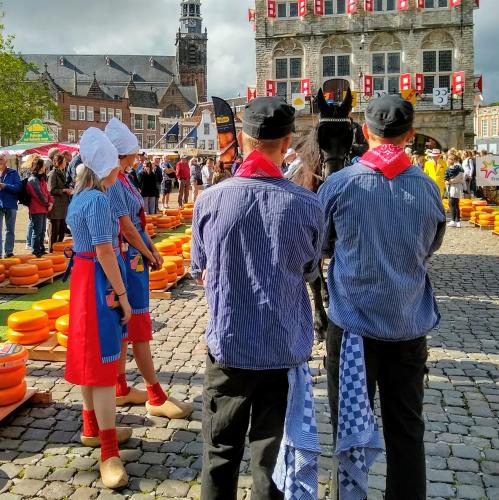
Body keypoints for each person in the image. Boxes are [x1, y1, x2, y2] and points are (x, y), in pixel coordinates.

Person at [191, 96, 324, 500]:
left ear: (244, 140)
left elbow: (200, 270)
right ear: (287, 144)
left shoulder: (211, 199)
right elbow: (310, 270)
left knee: (220, 454)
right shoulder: (306, 203)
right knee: (271, 461)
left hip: (230, 345)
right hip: (282, 347)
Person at [318, 95, 446, 500]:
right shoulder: (427, 188)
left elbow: (319, 246)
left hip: (354, 327)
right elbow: (431, 246)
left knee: (350, 431)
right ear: (409, 134)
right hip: (408, 325)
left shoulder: (339, 185)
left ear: (365, 131)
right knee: (407, 429)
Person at [104, 118, 193, 418]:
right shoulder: (115, 182)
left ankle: (120, 388)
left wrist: (151, 248)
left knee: (127, 327)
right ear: (122, 154)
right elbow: (126, 227)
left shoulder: (124, 177)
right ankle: (155, 395)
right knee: (137, 325)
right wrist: (150, 253)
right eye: (132, 153)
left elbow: (137, 225)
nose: (137, 157)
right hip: (129, 261)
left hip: (135, 256)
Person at [65, 128, 132, 490]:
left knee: (91, 360)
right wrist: (122, 295)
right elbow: (106, 251)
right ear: (107, 168)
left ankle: (91, 426)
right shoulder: (100, 200)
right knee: (104, 363)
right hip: (98, 283)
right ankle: (108, 451)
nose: (120, 171)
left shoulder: (79, 198)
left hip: (83, 279)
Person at [27, 159, 54, 258]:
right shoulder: (33, 180)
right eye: (43, 166)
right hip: (36, 209)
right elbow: (38, 195)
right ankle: (35, 250)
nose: (45, 167)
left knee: (42, 231)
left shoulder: (41, 179)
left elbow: (47, 192)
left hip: (43, 208)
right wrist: (48, 204)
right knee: (37, 231)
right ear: (39, 167)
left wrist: (51, 202)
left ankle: (41, 248)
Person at [47, 154, 72, 252]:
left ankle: (58, 251)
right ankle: (51, 251)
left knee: (62, 231)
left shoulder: (62, 172)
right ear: (60, 162)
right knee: (54, 232)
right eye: (65, 161)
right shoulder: (53, 173)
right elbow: (51, 190)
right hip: (56, 207)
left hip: (62, 207)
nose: (66, 163)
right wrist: (64, 190)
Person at [0, 154, 22, 257]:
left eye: (1, 159)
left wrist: (5, 186)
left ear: (5, 161)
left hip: (11, 204)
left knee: (10, 229)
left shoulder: (13, 173)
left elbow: (18, 187)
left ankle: (8, 252)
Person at [445, 152, 466, 228]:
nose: (447, 160)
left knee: (452, 204)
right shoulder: (455, 166)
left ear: (453, 160)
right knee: (454, 204)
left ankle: (455, 220)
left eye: (449, 159)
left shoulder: (457, 167)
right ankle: (456, 220)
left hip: (454, 188)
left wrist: (449, 181)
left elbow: (458, 178)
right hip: (453, 187)